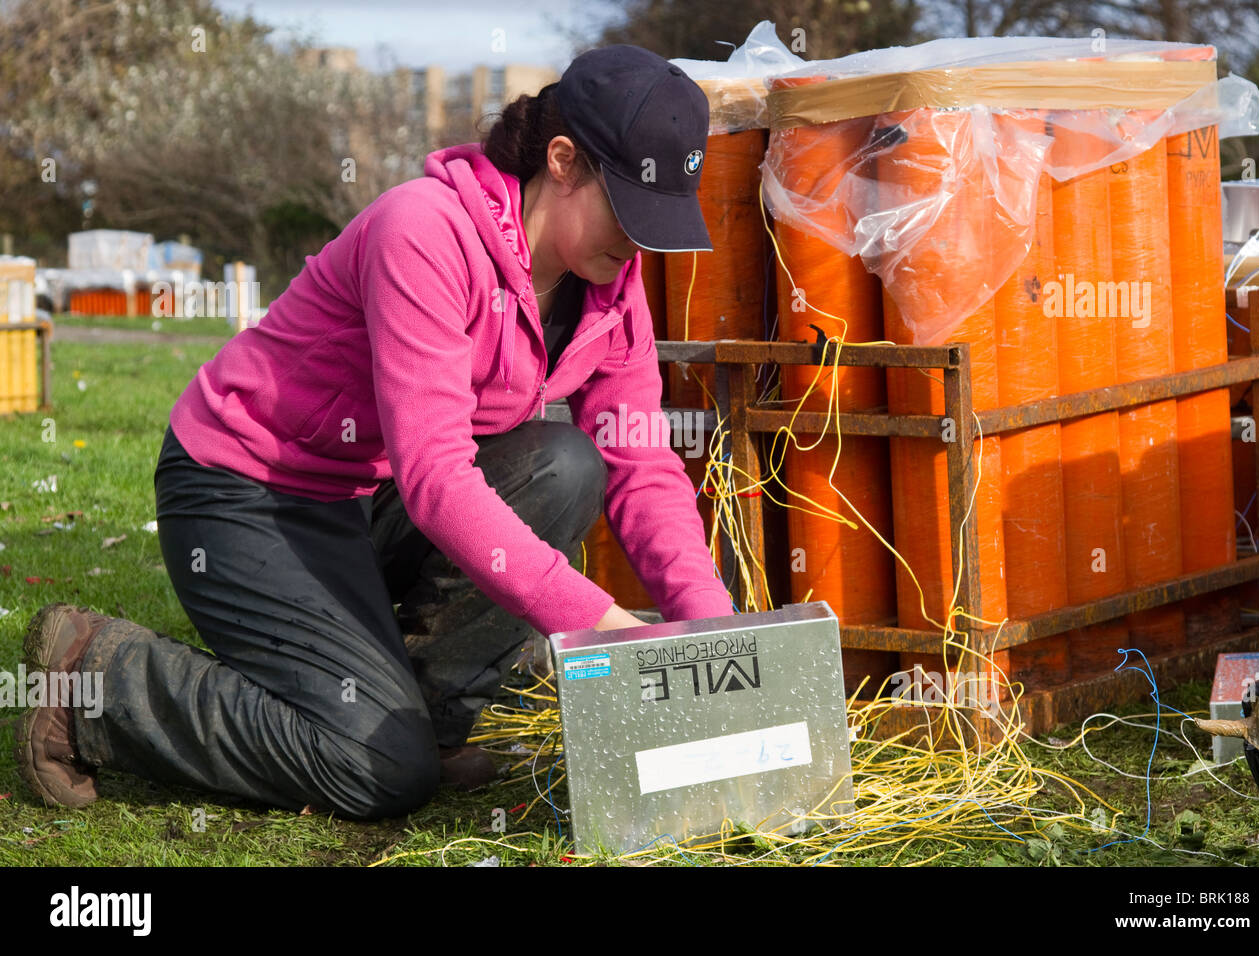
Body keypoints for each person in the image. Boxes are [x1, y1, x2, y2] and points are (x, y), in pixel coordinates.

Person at [14, 44, 734, 820]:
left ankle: (427, 717)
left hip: (372, 495)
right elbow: (440, 480)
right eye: (628, 212)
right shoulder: (423, 231)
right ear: (563, 161)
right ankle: (97, 679)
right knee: (376, 770)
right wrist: (602, 626)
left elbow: (643, 464)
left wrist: (714, 635)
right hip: (250, 489)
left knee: (566, 465)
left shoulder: (611, 292)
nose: (639, 244)